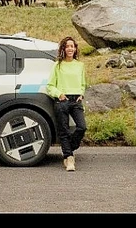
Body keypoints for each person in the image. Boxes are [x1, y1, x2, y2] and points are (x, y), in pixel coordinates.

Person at [46, 36, 87, 172]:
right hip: (62, 99)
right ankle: (69, 158)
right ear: (63, 49)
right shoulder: (57, 65)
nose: (70, 49)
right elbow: (50, 86)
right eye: (68, 46)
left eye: (72, 46)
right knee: (63, 130)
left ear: (75, 49)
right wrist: (59, 94)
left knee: (81, 127)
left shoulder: (80, 65)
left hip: (76, 100)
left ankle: (69, 146)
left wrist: (81, 93)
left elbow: (82, 83)